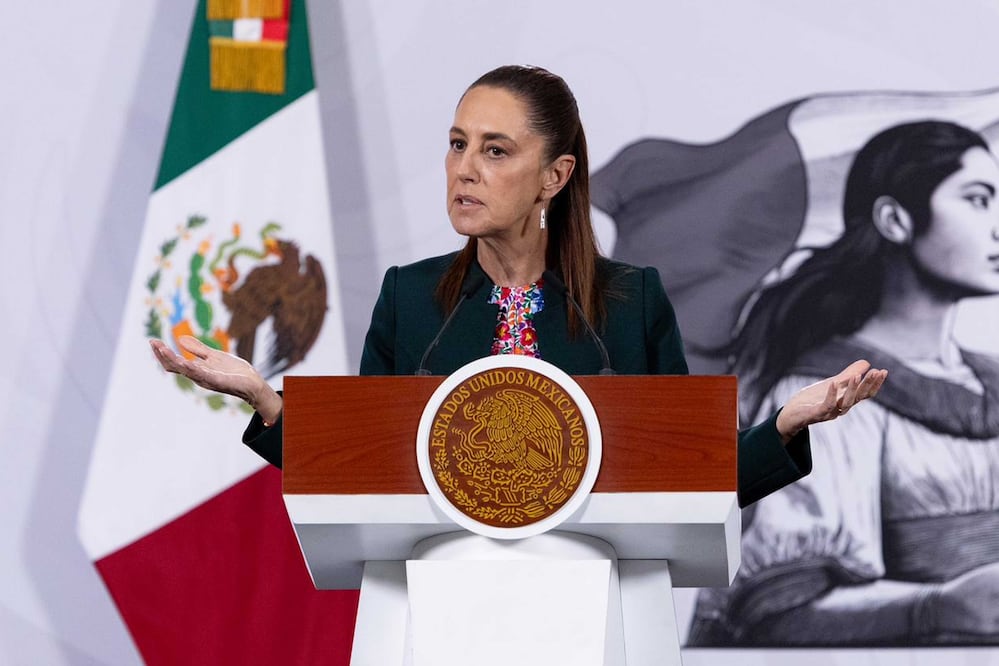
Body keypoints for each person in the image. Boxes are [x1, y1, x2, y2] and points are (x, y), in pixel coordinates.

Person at [149, 65, 885, 511]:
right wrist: (265, 400)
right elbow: (359, 470)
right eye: (456, 143)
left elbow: (691, 477)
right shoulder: (409, 299)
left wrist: (783, 426)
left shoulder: (630, 303)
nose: (463, 168)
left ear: (553, 178)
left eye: (494, 150)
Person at [687, 120, 999, 645]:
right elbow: (778, 611)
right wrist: (936, 608)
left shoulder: (987, 379)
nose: (997, 225)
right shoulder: (828, 397)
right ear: (895, 220)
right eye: (977, 200)